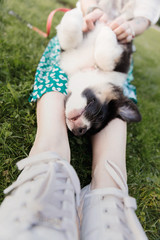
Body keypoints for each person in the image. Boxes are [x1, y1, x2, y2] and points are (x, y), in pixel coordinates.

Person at [0, 0, 160, 239]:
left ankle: (108, 189)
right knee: (58, 67)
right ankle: (49, 158)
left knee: (116, 95)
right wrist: (88, 16)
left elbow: (144, 18)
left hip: (117, 45)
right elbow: (84, 6)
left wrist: (128, 28)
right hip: (85, 35)